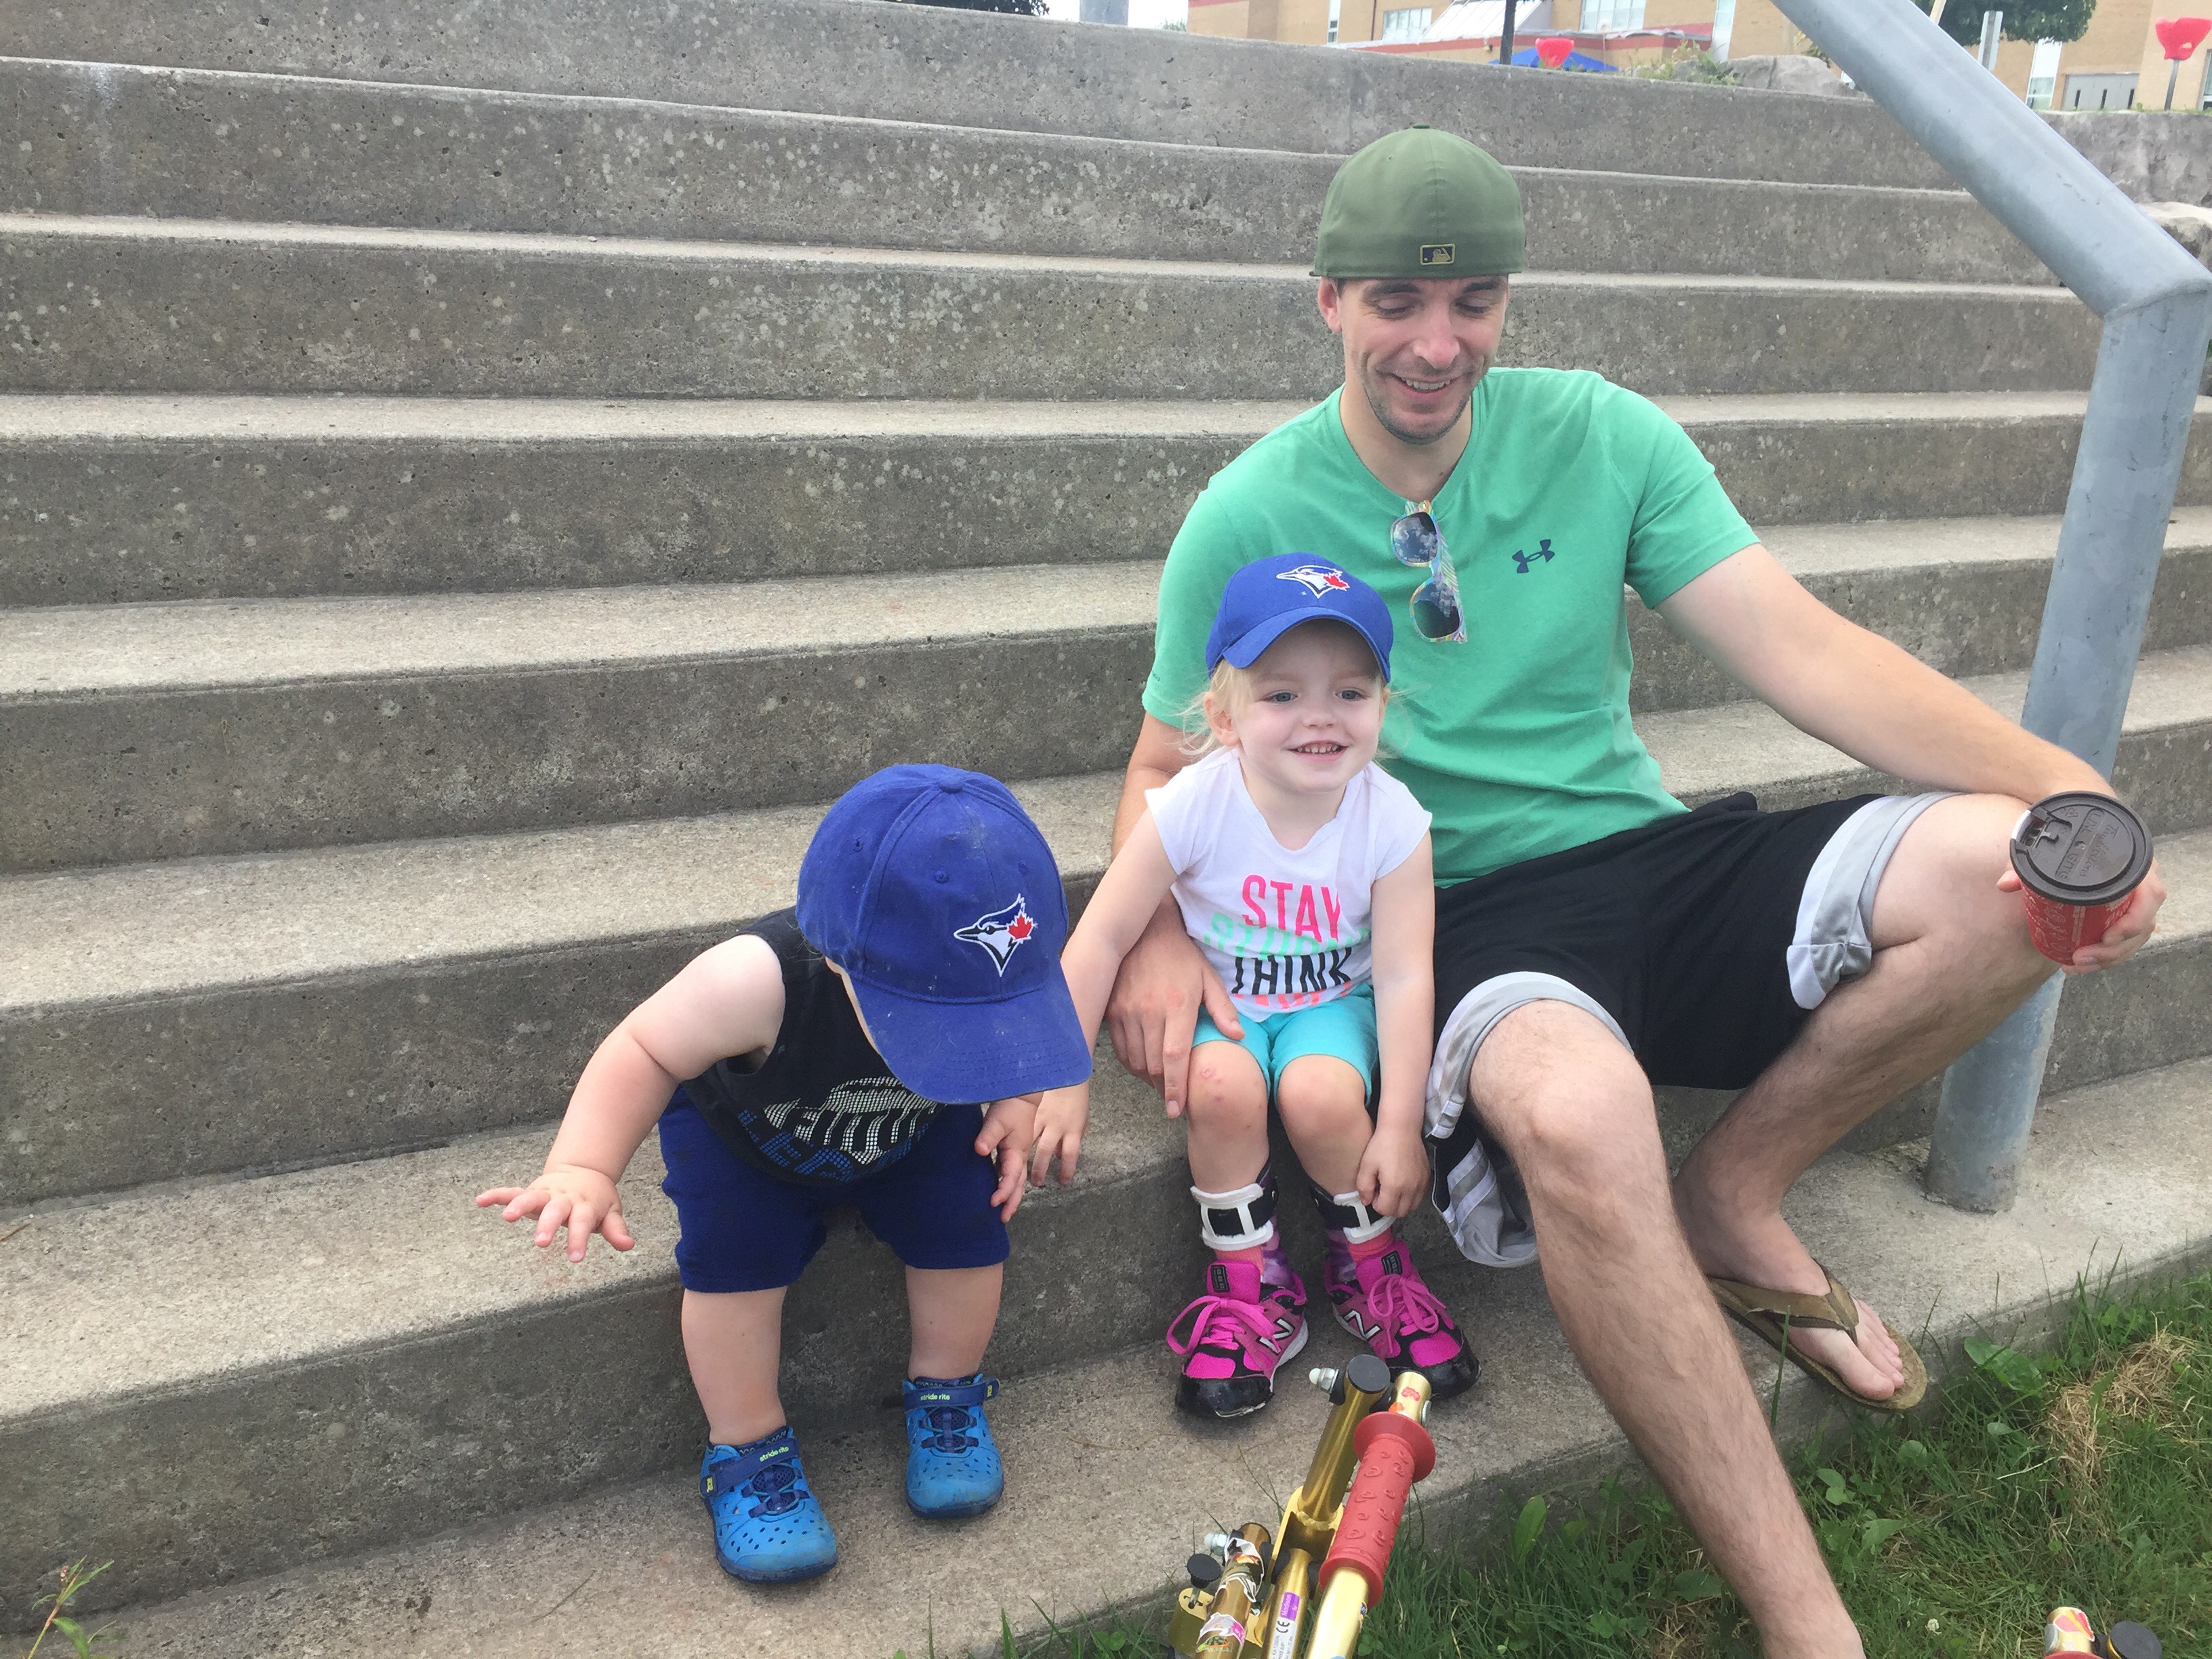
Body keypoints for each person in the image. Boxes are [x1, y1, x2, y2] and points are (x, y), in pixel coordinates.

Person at [1101, 126, 2165, 1658]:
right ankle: (1811, 1630)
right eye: (1396, 301)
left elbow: (1806, 653)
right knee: (1584, 1114)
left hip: (1652, 856)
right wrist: (1150, 930)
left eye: (1471, 300)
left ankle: (1730, 1190)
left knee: (2005, 872)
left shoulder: (1600, 434)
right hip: (1462, 908)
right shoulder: (1249, 508)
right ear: (1327, 299)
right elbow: (1162, 760)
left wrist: (2072, 798)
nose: (1435, 342)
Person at [476, 764, 1092, 1585]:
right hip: (753, 1138)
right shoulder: (751, 981)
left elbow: (1023, 1026)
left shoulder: (997, 966)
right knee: (735, 1264)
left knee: (966, 1224)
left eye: (985, 1023)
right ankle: (748, 1447)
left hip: (913, 1127)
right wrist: (584, 1164)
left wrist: (1016, 1097)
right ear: (838, 956)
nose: (972, 1044)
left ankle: (947, 1392)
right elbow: (643, 1048)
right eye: (942, 1025)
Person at [1036, 554, 1475, 1421]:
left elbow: (1401, 973)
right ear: (1223, 715)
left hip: (1330, 1007)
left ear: (1383, 706)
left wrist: (1401, 1126)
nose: (1320, 716)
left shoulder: (1392, 820)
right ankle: (1250, 1289)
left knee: (1319, 1095)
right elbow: (1104, 936)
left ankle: (1372, 1268)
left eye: (1350, 692)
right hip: (1226, 1009)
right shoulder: (1192, 804)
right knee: (1218, 1088)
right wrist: (1061, 1077)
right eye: (1281, 694)